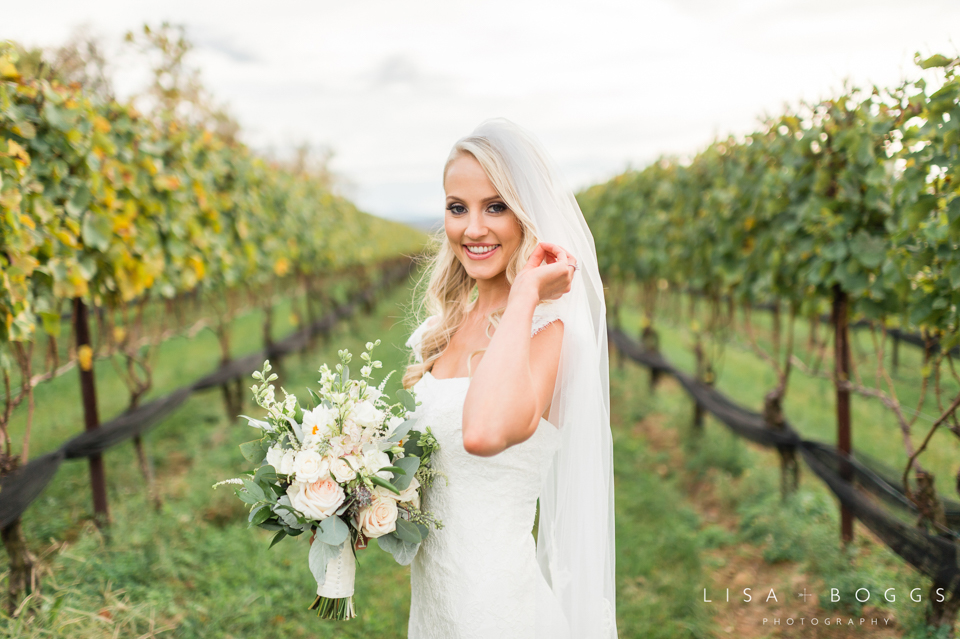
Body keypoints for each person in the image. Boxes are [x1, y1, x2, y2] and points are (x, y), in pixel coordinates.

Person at [402, 117, 618, 638]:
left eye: (495, 206)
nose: (472, 228)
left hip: (496, 609)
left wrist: (524, 293)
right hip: (435, 605)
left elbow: (481, 434)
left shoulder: (552, 332)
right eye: (458, 207)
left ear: (527, 215)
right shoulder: (439, 330)